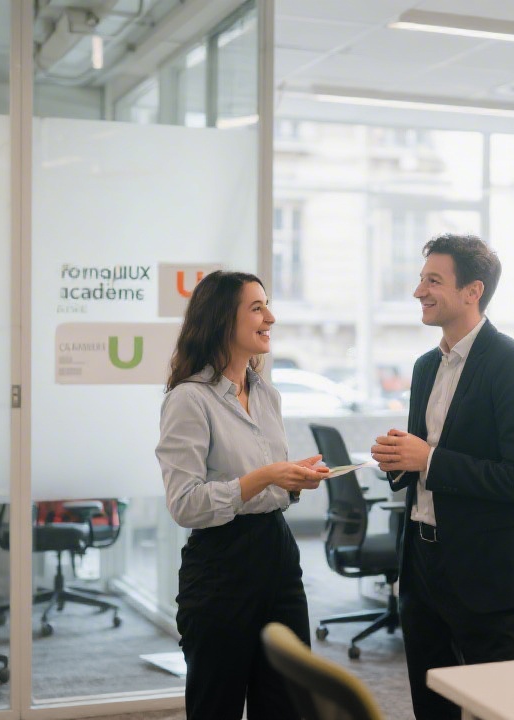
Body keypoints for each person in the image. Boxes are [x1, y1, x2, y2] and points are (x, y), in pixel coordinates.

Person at [371, 234, 514, 719]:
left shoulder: (513, 363)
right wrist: (397, 460)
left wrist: (428, 459)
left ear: (473, 291)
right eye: (420, 278)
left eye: (433, 280)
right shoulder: (425, 366)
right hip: (423, 567)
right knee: (431, 707)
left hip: (486, 572)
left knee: (500, 708)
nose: (418, 291)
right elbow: (419, 460)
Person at [156, 270, 329, 720]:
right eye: (257, 308)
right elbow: (184, 503)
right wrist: (265, 476)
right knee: (218, 706)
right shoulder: (189, 399)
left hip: (277, 555)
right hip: (220, 567)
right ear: (220, 319)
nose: (270, 316)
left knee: (291, 701)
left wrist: (292, 481)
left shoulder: (266, 393)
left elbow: (271, 489)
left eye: (267, 305)